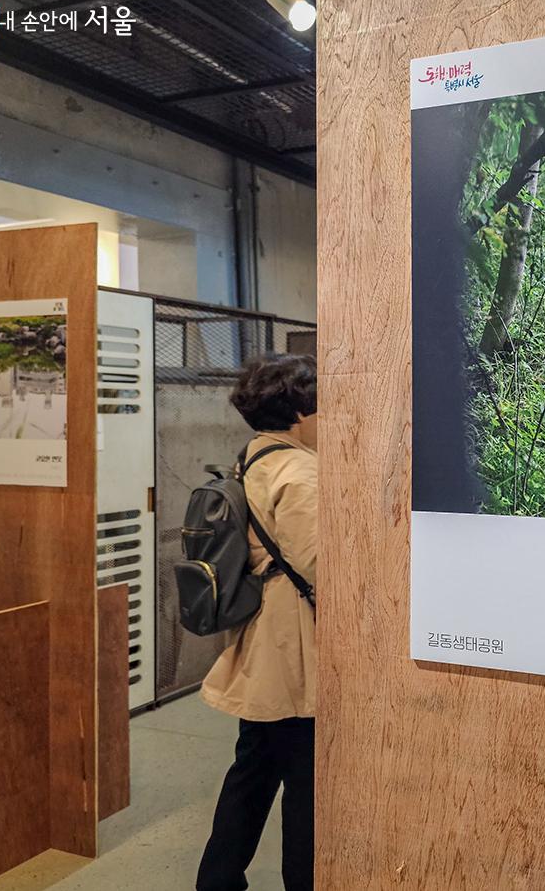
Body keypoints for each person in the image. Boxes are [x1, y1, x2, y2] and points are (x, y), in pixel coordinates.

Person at [197, 352, 318, 891]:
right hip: (294, 652)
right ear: (300, 412)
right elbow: (319, 563)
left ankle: (218, 880)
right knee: (307, 786)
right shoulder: (300, 470)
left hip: (259, 645)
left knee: (251, 771)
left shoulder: (252, 459)